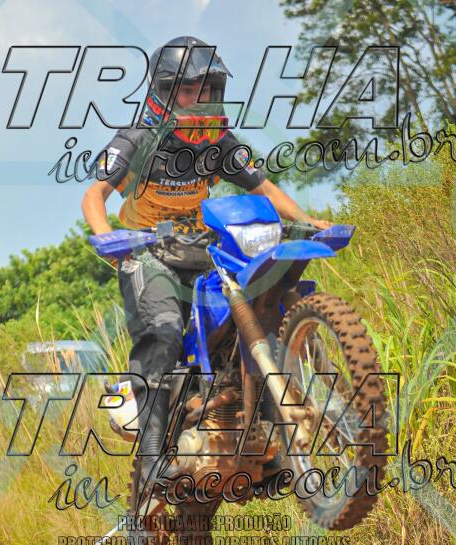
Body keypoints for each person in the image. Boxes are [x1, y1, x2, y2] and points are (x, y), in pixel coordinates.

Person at [81, 35, 331, 483]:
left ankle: (268, 438)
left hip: (204, 250)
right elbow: (94, 195)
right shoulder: (136, 139)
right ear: (163, 91)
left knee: (259, 313)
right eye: (187, 89)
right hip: (146, 253)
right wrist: (107, 238)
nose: (199, 98)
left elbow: (263, 188)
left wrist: (308, 221)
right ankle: (152, 457)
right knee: (163, 332)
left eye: (207, 88)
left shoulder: (219, 142)